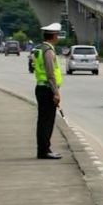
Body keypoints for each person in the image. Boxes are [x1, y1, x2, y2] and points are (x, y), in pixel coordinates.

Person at [33, 23, 64, 159]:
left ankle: (43, 149)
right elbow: (50, 73)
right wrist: (56, 93)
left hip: (41, 87)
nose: (58, 37)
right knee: (47, 121)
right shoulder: (49, 51)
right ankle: (44, 150)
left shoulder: (39, 49)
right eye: (57, 35)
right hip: (47, 89)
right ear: (54, 36)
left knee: (43, 121)